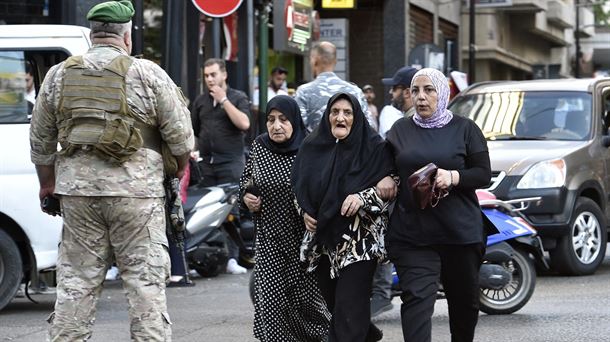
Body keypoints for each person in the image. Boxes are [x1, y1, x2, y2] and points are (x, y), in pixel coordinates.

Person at [29, 1, 194, 340]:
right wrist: (173, 172)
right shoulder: (148, 74)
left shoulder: (59, 75)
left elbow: (40, 140)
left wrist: (48, 184)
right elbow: (181, 140)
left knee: (76, 284)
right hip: (137, 196)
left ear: (94, 34)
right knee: (144, 284)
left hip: (77, 193)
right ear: (127, 36)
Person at [384, 68, 491, 342]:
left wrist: (453, 177)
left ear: (442, 93)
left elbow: (483, 174)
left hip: (459, 234)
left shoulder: (465, 129)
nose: (421, 97)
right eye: (415, 90)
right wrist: (385, 179)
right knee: (416, 302)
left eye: (429, 90)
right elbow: (383, 168)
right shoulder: (400, 130)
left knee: (464, 304)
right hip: (413, 235)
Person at [292, 92, 396, 342]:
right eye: (335, 112)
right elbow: (298, 188)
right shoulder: (312, 147)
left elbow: (392, 188)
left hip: (360, 243)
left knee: (348, 312)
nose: (340, 117)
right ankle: (367, 334)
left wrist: (363, 197)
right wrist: (304, 212)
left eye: (347, 112)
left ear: (357, 116)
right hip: (323, 242)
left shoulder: (374, 147)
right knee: (338, 307)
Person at [240, 95, 330, 341]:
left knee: (308, 305)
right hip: (269, 238)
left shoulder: (310, 148)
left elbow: (325, 188)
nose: (276, 126)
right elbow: (246, 181)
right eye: (270, 120)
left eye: (283, 119)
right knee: (269, 302)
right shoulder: (260, 146)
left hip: (303, 242)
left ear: (294, 121)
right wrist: (247, 197)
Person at [190, 57, 251, 275]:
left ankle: (233, 258)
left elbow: (244, 123)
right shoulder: (200, 102)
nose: (210, 79)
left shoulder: (238, 97)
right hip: (207, 164)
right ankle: (209, 257)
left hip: (231, 163)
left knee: (232, 212)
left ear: (224, 74)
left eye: (213, 74)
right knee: (207, 211)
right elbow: (195, 133)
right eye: (206, 76)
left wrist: (224, 100)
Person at [295, 41, 377, 133]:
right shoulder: (355, 91)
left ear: (314, 61)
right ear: (335, 61)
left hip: (315, 147)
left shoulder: (304, 92)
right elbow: (370, 128)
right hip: (350, 147)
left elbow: (298, 130)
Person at [378, 66, 418, 139]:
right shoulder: (422, 118)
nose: (390, 92)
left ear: (407, 93)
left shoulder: (389, 111)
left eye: (394, 88)